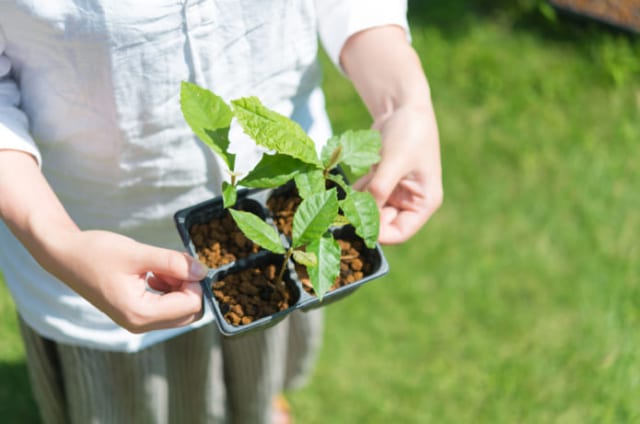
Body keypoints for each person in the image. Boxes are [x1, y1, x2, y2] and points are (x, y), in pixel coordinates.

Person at [0, 1, 442, 423]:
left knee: (263, 349)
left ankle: (258, 406)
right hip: (91, 232)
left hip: (280, 200)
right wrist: (57, 240)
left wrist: (403, 102)